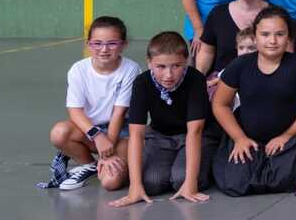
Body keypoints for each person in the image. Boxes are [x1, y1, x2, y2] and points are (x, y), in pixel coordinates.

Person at [212, 7, 296, 196]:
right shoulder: (239, 65)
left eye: (279, 34)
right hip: (248, 136)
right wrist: (239, 138)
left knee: (282, 180)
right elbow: (220, 104)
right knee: (235, 184)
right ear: (255, 38)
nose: (272, 41)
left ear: (288, 38)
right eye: (265, 34)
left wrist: (287, 135)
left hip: (291, 138)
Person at [109, 33, 213, 207]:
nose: (168, 75)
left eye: (176, 66)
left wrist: (191, 183)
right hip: (160, 137)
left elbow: (195, 132)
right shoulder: (142, 83)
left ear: (186, 61)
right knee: (151, 183)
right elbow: (136, 134)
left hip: (194, 136)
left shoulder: (195, 79)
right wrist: (135, 186)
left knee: (181, 179)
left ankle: (203, 166)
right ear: (149, 62)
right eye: (161, 67)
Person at [45, 16, 139, 191]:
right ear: (88, 44)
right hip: (89, 131)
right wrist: (97, 136)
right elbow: (75, 111)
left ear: (124, 44)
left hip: (120, 133)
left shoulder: (131, 69)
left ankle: (103, 166)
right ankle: (90, 166)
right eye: (97, 43)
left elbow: (119, 113)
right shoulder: (78, 69)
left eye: (112, 43)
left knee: (110, 183)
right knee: (59, 133)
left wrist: (107, 150)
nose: (104, 49)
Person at [195, 0, 270, 89]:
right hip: (221, 85)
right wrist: (198, 81)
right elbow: (206, 51)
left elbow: (285, 56)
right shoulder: (218, 14)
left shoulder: (275, 15)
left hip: (263, 84)